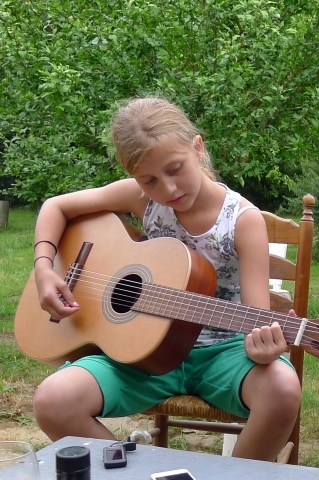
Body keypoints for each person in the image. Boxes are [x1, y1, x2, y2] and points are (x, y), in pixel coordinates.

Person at [30, 97, 301, 461]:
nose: (168, 189)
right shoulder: (143, 200)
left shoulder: (242, 220)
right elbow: (56, 206)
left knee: (283, 389)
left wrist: (264, 344)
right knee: (52, 400)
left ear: (198, 147)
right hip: (141, 352)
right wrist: (45, 268)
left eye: (175, 169)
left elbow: (257, 318)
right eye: (150, 180)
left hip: (221, 353)